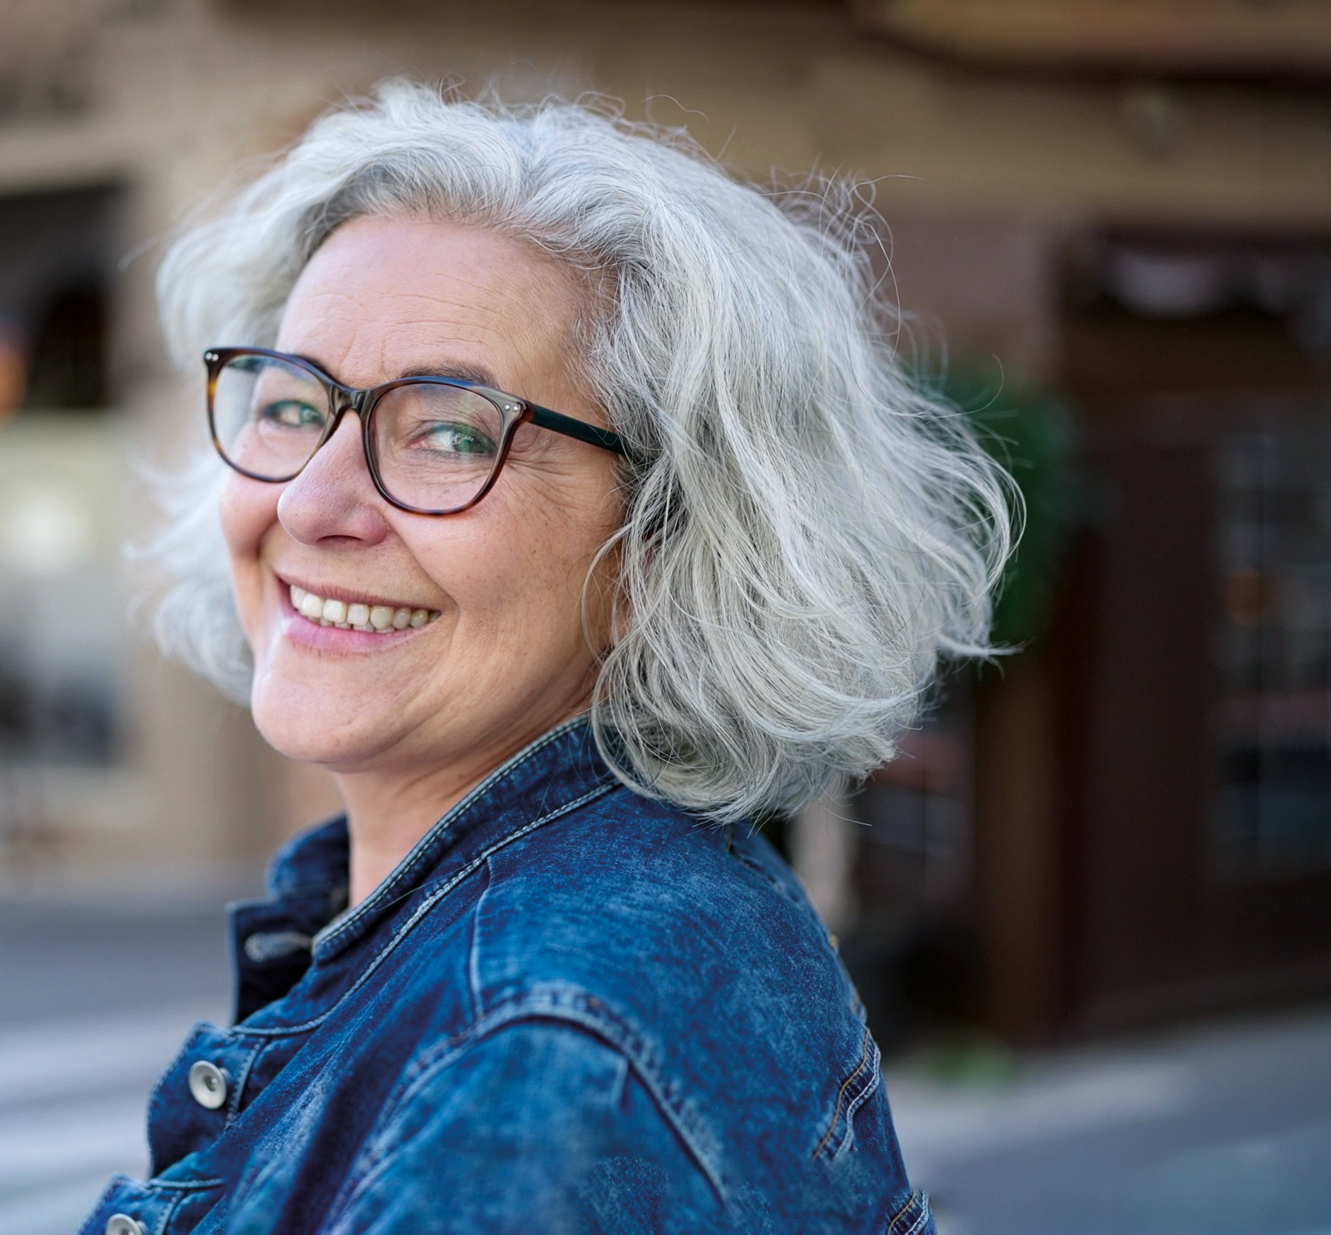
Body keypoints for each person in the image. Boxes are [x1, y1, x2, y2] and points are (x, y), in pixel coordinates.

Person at [91, 81, 1011, 1235]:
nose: (312, 500)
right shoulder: (597, 923)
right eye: (291, 401)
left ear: (661, 549)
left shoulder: (537, 1056)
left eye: (449, 431)